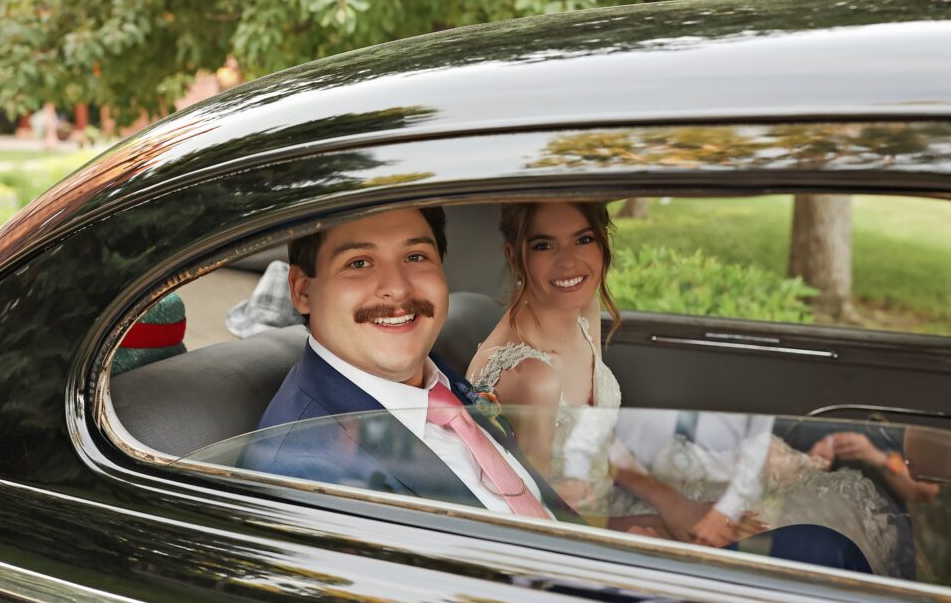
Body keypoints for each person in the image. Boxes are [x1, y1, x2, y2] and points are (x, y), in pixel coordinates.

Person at [466, 201, 881, 574]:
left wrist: (672, 503)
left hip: (622, 489)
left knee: (816, 503)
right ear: (514, 255)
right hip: (583, 537)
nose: (569, 263)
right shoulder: (530, 377)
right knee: (804, 546)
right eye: (544, 245)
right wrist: (640, 527)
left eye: (583, 239)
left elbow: (600, 438)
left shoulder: (579, 307)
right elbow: (535, 513)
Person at [244, 207, 582, 521]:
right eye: (359, 263)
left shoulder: (438, 378)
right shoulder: (307, 475)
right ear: (303, 291)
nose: (398, 288)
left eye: (415, 256)